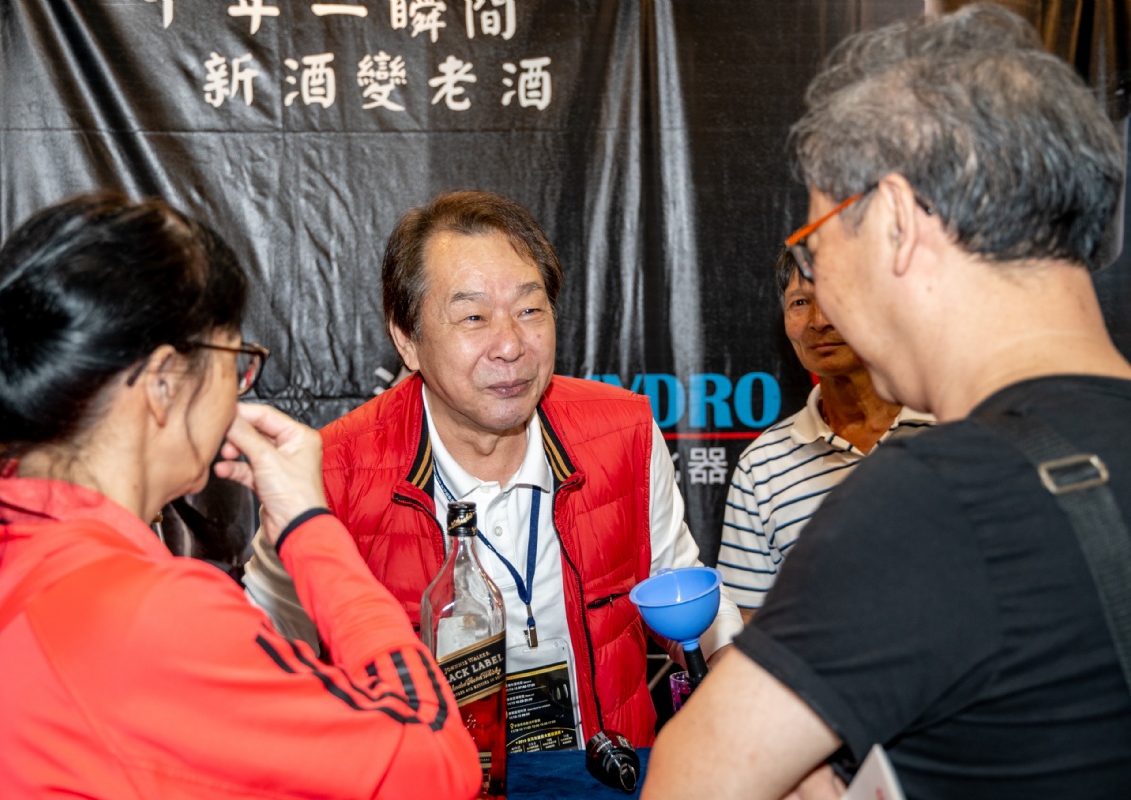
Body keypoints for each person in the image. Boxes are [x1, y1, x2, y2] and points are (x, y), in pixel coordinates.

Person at [645, 5, 1131, 798]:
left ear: (899, 221)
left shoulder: (934, 496)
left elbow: (691, 782)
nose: (820, 292)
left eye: (816, 244)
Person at [0, 193, 479, 798]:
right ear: (163, 383)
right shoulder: (144, 617)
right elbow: (434, 763)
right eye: (234, 362)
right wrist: (310, 527)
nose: (239, 393)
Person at [246, 189, 743, 749]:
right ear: (407, 340)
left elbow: (677, 588)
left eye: (530, 310)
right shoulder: (329, 474)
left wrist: (728, 660)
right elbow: (258, 659)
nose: (510, 345)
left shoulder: (624, 433)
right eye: (473, 317)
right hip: (430, 781)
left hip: (607, 778)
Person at [719, 249, 933, 620]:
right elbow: (748, 624)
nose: (819, 321)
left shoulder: (961, 428)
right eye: (800, 303)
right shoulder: (761, 466)